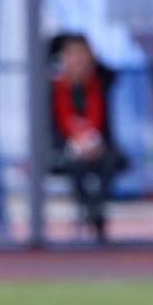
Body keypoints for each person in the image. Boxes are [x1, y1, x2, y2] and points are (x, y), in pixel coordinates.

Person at [50, 35, 122, 241]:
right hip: (65, 148)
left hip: (99, 148)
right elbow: (54, 131)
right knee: (74, 162)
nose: (78, 60)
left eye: (82, 54)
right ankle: (92, 211)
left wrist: (92, 144)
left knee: (111, 160)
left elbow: (111, 72)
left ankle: (95, 208)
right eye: (73, 54)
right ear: (63, 58)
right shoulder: (53, 87)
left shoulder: (100, 83)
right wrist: (74, 144)